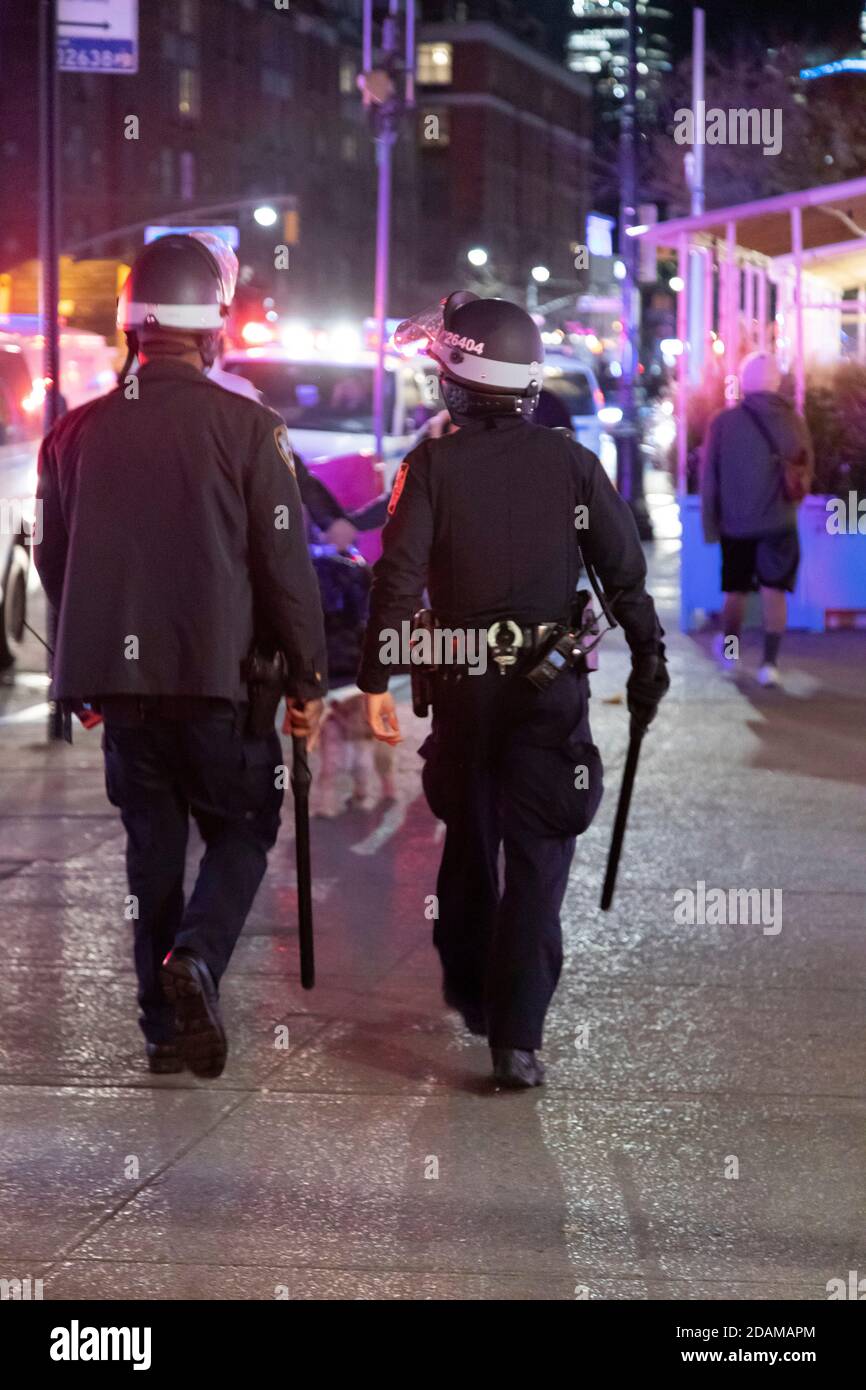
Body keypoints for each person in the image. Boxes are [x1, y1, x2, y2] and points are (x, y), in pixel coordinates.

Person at [34, 233, 327, 1079]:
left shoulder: (72, 435)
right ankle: (196, 958)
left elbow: (59, 562)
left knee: (150, 851)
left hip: (124, 694)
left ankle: (161, 1031)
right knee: (242, 825)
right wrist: (308, 675)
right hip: (222, 686)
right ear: (211, 331)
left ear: (132, 328)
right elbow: (284, 566)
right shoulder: (250, 428)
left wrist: (88, 665)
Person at [358, 291, 668, 1089]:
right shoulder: (571, 463)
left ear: (454, 379)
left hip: (462, 695)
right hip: (546, 691)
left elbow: (394, 580)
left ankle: (473, 990)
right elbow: (623, 574)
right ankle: (517, 1039)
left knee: (470, 835)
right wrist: (647, 661)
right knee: (537, 854)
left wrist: (374, 680)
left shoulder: (428, 466)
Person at [701, 352, 814, 687]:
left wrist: (710, 524)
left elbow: (709, 477)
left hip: (735, 524)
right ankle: (770, 664)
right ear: (776, 382)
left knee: (734, 593)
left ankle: (732, 657)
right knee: (773, 592)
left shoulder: (723, 423)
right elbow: (807, 469)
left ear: (745, 382)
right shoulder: (795, 421)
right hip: (780, 522)